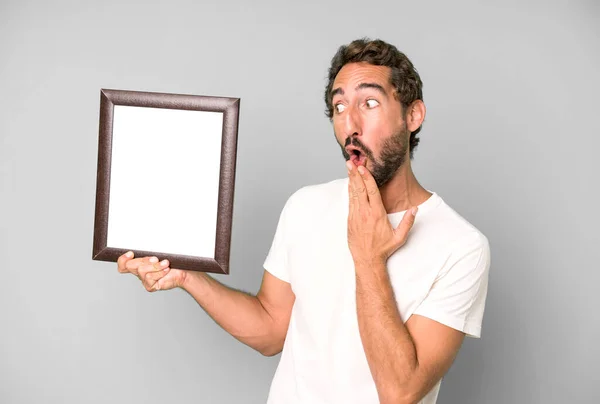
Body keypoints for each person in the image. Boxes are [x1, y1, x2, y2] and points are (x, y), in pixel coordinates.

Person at [117, 38, 490, 404]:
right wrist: (187, 277)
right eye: (339, 106)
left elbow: (399, 392)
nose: (351, 123)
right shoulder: (305, 206)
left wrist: (368, 258)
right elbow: (270, 329)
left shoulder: (461, 246)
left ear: (413, 115)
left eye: (370, 103)